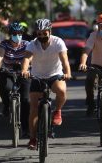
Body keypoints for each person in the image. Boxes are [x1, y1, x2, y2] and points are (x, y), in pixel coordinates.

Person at [21, 18, 71, 150]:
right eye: (39, 33)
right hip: (37, 76)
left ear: (50, 31)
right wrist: (24, 70)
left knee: (61, 91)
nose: (42, 36)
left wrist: (67, 72)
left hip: (55, 74)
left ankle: (58, 111)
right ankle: (32, 139)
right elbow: (27, 58)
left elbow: (64, 59)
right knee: (33, 109)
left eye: (44, 33)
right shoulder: (32, 44)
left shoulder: (58, 42)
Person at [0, 21, 31, 137]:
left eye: (19, 33)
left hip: (24, 73)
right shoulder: (4, 44)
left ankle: (26, 129)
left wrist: (27, 68)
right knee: (5, 87)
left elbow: (31, 57)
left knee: (25, 100)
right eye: (14, 33)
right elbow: (0, 55)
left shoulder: (27, 44)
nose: (17, 35)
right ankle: (6, 105)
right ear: (10, 34)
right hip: (8, 71)